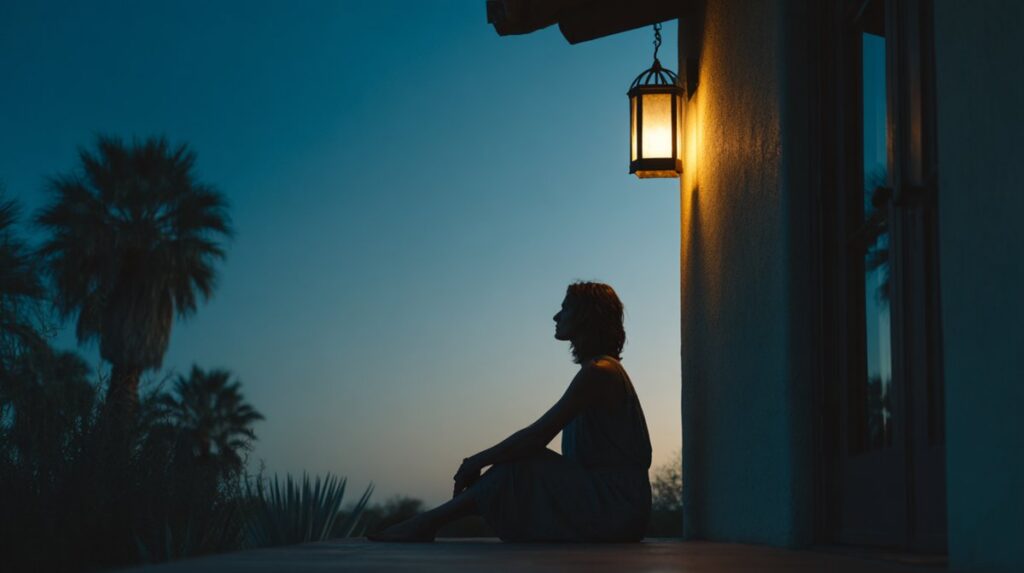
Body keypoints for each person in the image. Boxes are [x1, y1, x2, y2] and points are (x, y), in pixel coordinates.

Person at [368, 281, 652, 542]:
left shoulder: (600, 373)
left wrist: (476, 462)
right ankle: (430, 521)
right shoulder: (598, 371)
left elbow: (536, 437)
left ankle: (427, 522)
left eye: (565, 308)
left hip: (617, 508)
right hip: (610, 502)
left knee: (523, 462)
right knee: (518, 464)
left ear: (587, 315)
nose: (556, 316)